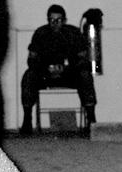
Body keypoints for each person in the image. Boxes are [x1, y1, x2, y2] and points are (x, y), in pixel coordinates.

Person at [20, 4, 97, 135]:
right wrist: (46, 68)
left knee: (85, 75)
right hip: (45, 75)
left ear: (65, 20)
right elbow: (31, 60)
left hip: (69, 74)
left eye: (59, 20)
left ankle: (91, 120)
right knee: (29, 75)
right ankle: (27, 119)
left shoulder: (73, 33)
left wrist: (67, 68)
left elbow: (83, 60)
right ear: (48, 20)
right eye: (52, 20)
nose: (55, 23)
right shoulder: (40, 33)